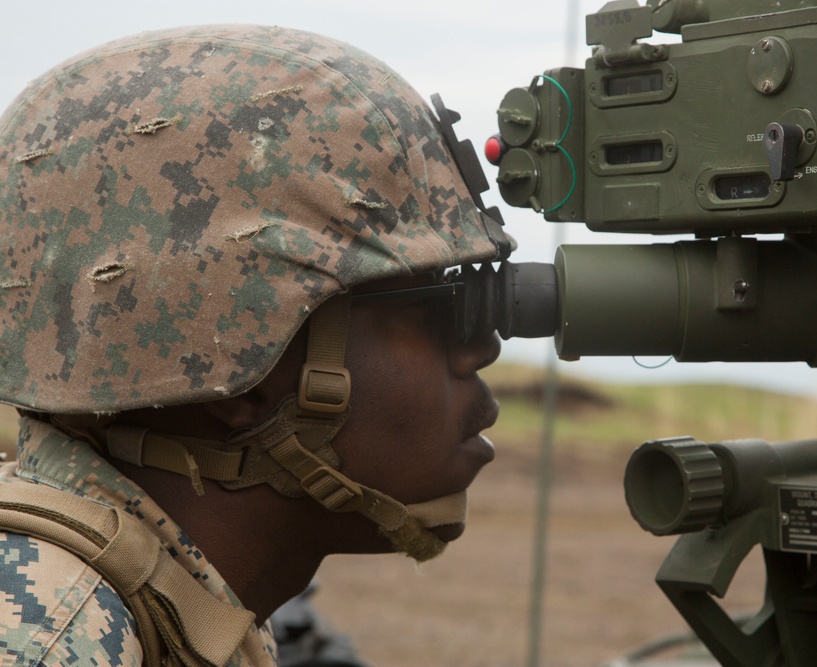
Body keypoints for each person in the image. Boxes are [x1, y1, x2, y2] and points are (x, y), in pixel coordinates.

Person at [0, 24, 511, 666]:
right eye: (430, 305)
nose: (479, 349)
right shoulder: (49, 638)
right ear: (236, 362)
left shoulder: (156, 610)